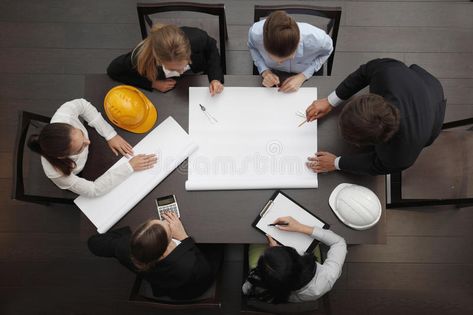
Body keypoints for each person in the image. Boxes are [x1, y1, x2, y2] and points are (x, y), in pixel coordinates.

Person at [305, 58, 446, 175]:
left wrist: (336, 163)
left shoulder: (400, 156)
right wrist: (330, 101)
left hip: (433, 108)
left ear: (363, 144)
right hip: (416, 82)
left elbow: (377, 165)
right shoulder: (387, 72)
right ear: (367, 99)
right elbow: (364, 72)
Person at [28, 99, 157, 197]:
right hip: (84, 172)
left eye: (81, 134)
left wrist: (110, 134)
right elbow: (93, 190)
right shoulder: (56, 173)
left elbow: (83, 105)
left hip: (95, 155)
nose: (88, 141)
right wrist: (129, 167)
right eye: (80, 147)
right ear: (62, 156)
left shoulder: (64, 115)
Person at [88, 213, 221, 300]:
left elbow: (93, 243)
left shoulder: (124, 247)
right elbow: (206, 272)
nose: (167, 223)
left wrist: (124, 237)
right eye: (169, 229)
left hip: (161, 283)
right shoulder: (188, 264)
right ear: (164, 249)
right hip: (189, 290)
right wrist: (184, 238)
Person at [242, 216, 347, 303]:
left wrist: (274, 251)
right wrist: (300, 227)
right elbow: (339, 242)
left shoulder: (259, 286)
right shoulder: (326, 280)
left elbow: (245, 289)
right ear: (300, 258)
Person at [107, 24, 224, 96]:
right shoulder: (140, 57)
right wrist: (151, 83)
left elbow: (212, 48)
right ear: (158, 59)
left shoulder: (197, 38)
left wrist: (215, 78)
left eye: (184, 64)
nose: (181, 72)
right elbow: (113, 70)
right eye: (172, 69)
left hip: (198, 73)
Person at [248, 10, 333, 93]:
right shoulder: (255, 33)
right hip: (272, 71)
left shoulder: (318, 40)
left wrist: (303, 76)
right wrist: (265, 71)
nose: (279, 63)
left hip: (307, 73)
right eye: (272, 57)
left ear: (297, 45)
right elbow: (252, 47)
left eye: (286, 58)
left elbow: (327, 51)